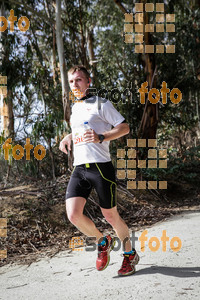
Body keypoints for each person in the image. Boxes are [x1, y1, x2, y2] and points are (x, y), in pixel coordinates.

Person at [59, 65, 139, 276]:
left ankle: (129, 255)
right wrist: (69, 137)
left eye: (78, 80)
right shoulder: (75, 108)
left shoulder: (101, 103)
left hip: (101, 168)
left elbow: (125, 127)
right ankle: (102, 240)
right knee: (73, 215)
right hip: (80, 168)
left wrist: (102, 137)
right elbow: (80, 130)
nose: (74, 84)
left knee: (110, 216)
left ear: (88, 82)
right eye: (71, 81)